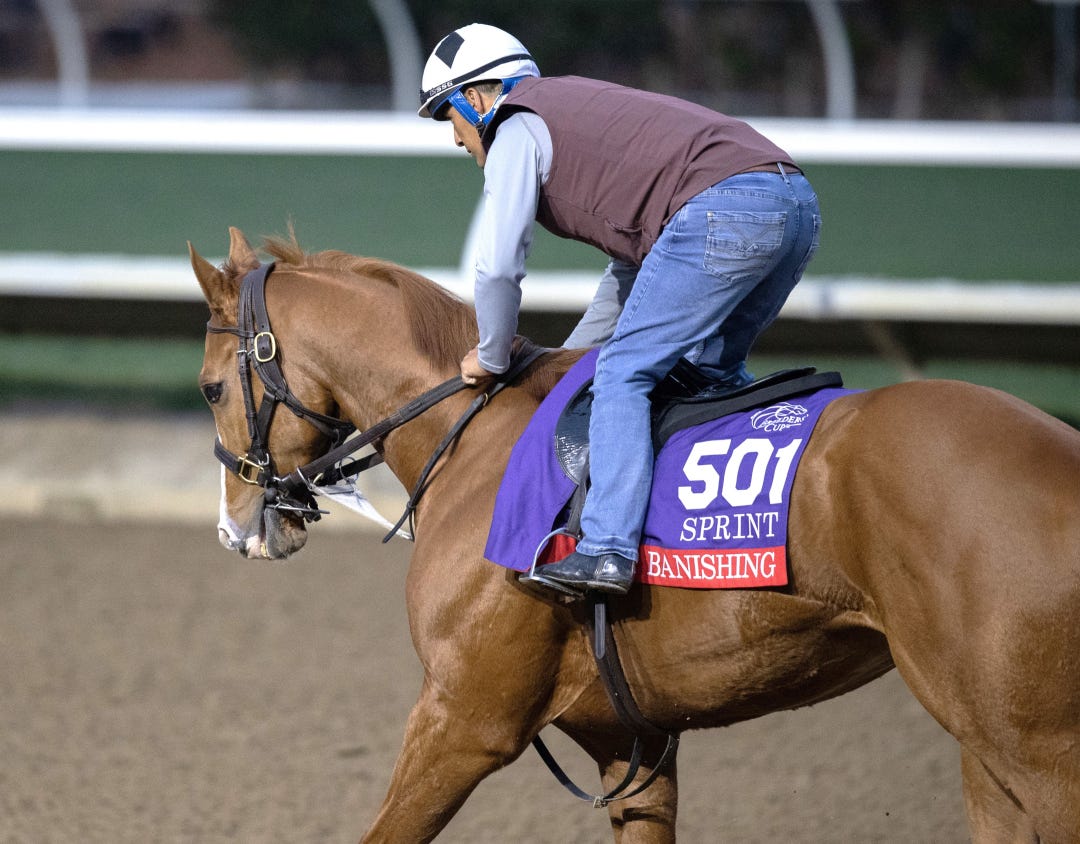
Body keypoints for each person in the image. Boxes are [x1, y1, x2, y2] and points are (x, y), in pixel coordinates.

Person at [418, 23, 821, 596]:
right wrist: (567, 361)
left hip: (725, 207)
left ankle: (607, 549)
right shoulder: (579, 114)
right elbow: (632, 275)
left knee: (624, 374)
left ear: (476, 98)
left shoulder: (513, 124)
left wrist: (492, 355)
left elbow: (499, 266)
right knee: (709, 375)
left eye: (449, 118)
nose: (457, 140)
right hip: (795, 204)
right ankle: (727, 532)